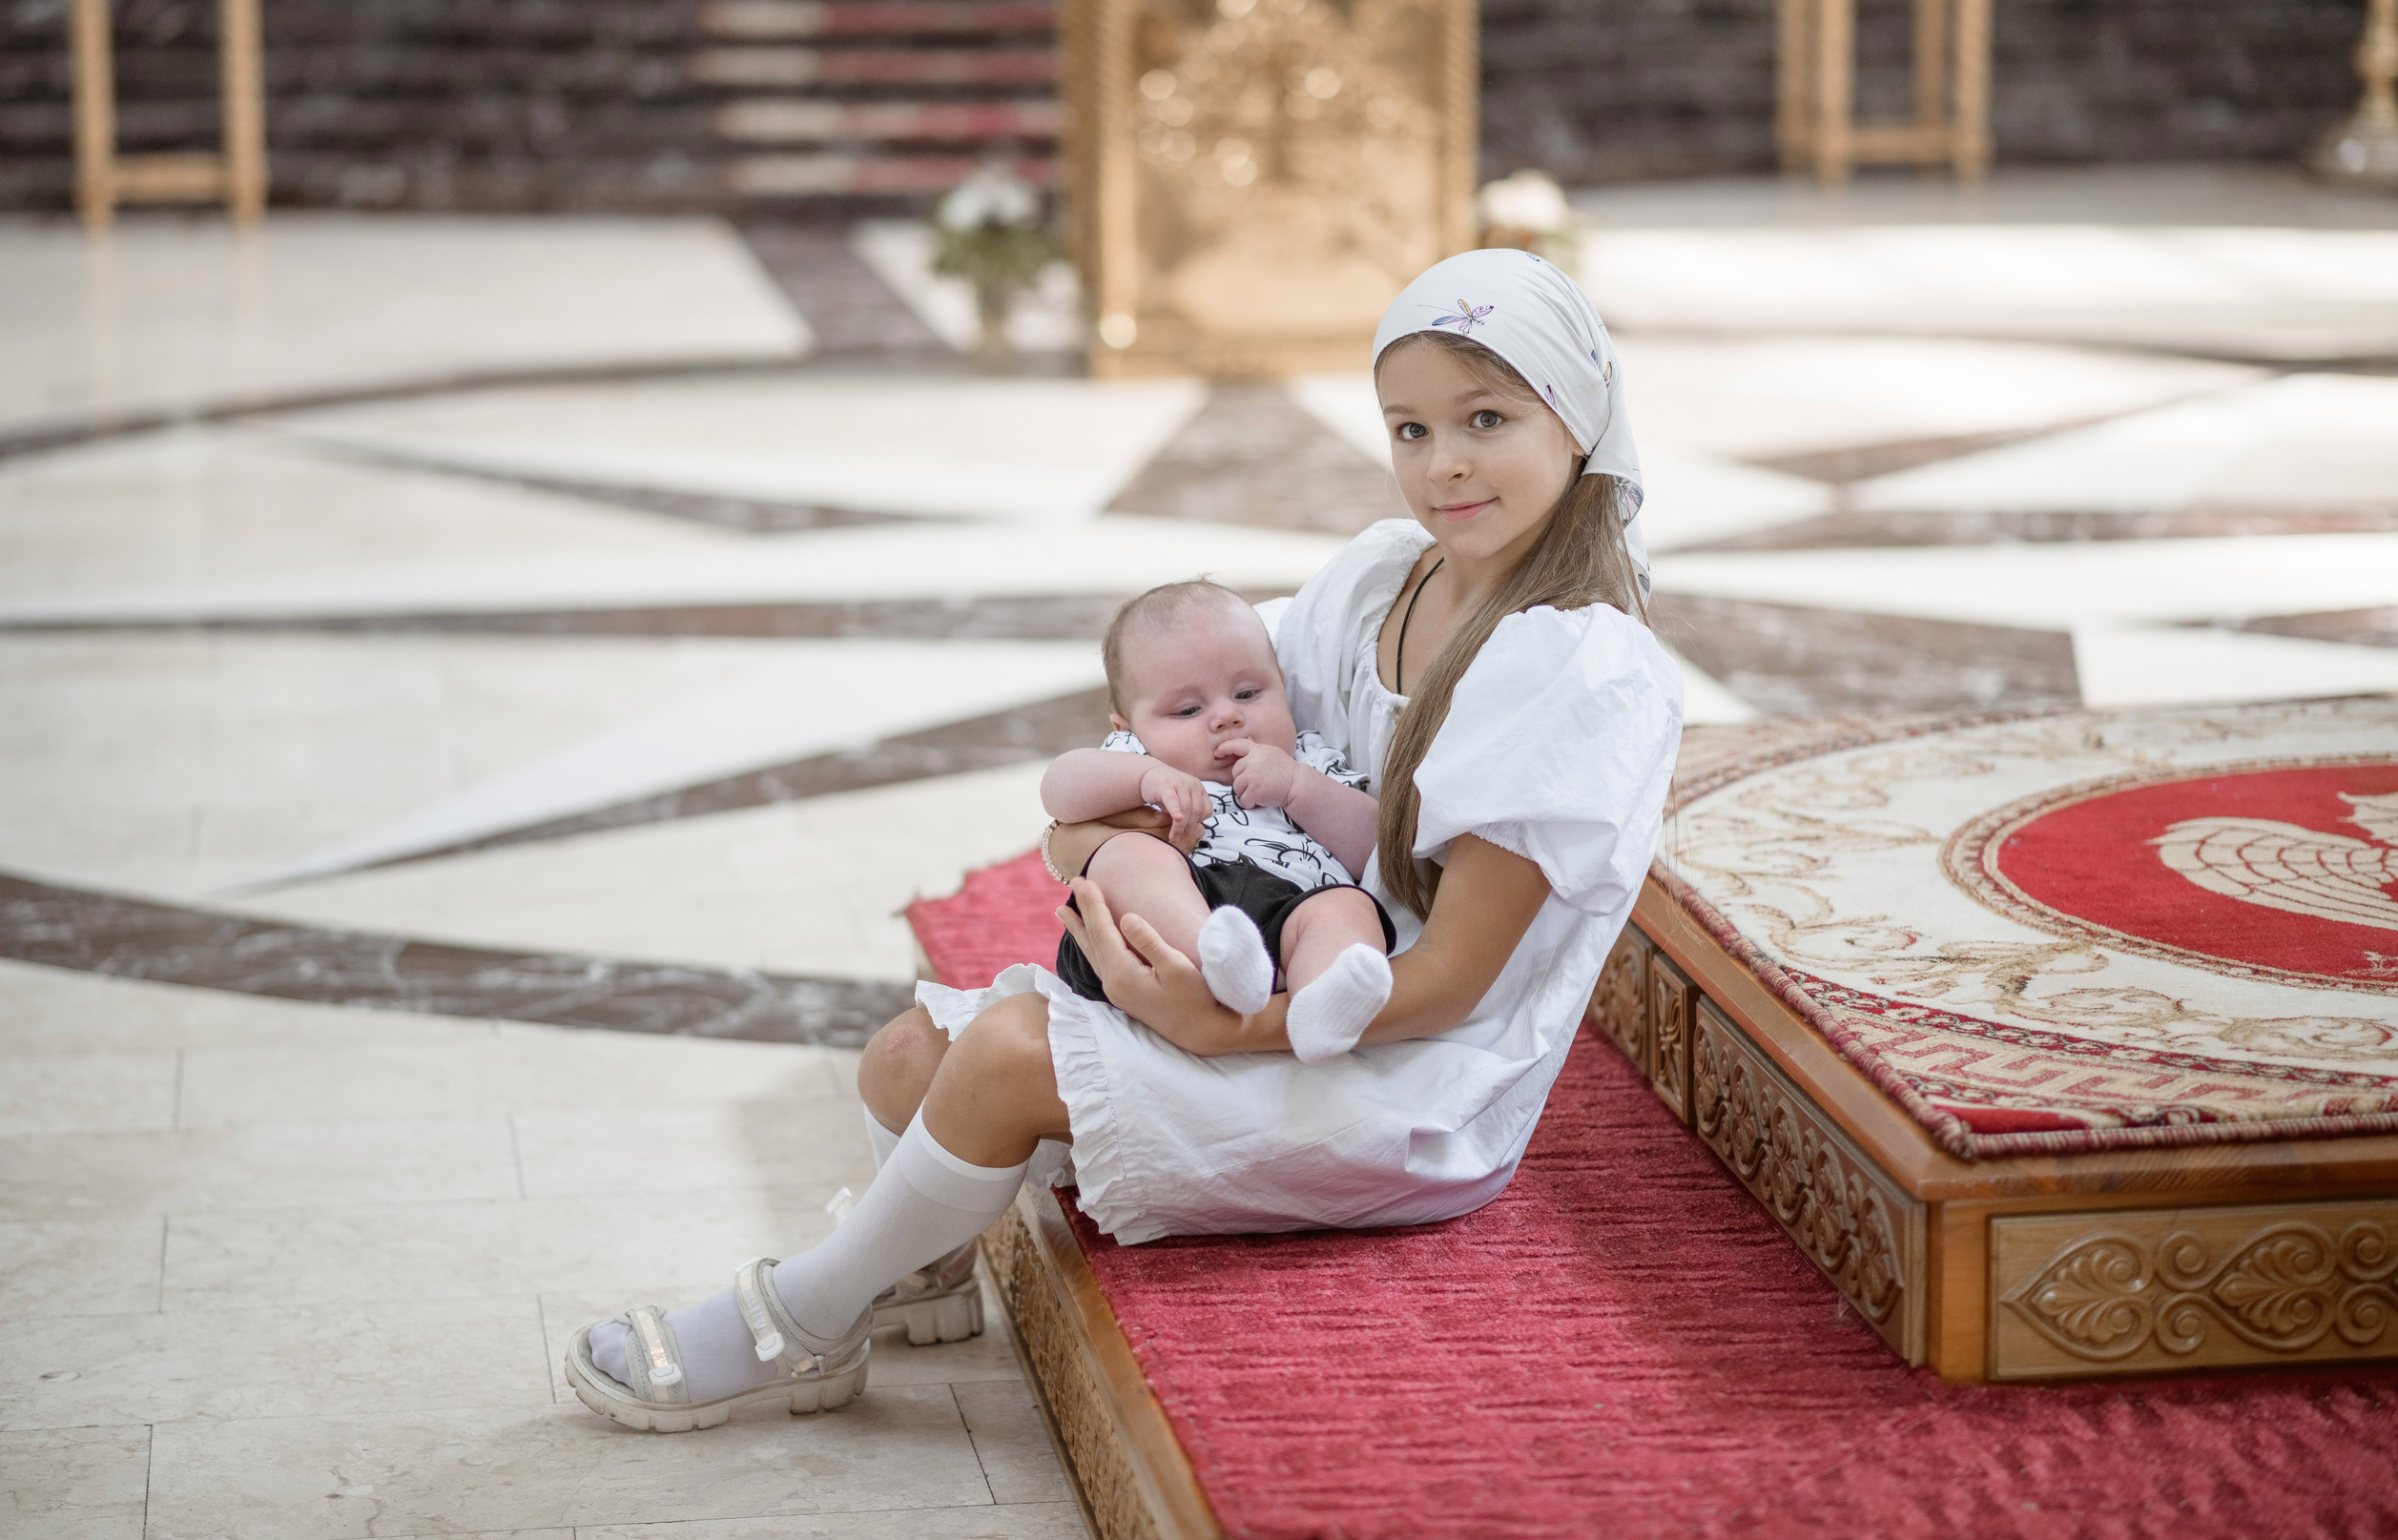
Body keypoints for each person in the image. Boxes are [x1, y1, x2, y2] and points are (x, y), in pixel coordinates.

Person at [565, 247, 1685, 1432]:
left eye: (1488, 417)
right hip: (1259, 947)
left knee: (997, 1053)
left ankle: (804, 1324)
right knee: (903, 1056)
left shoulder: (1573, 666)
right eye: (1409, 429)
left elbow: (1456, 983)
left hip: (1397, 1063)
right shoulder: (1381, 581)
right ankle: (920, 1268)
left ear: (1577, 415)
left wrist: (1219, 1023)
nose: (1444, 462)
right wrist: (1090, 848)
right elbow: (1178, 740)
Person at [1043, 578, 1396, 1064]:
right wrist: (1146, 777)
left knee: (1348, 908)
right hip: (1162, 926)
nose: (1227, 716)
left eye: (1249, 693)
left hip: (1288, 915)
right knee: (1125, 856)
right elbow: (1058, 789)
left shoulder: (1308, 760)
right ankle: (1217, 956)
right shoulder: (1137, 759)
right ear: (1128, 727)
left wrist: (1297, 787)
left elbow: (1375, 851)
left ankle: (1321, 1009)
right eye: (1188, 709)